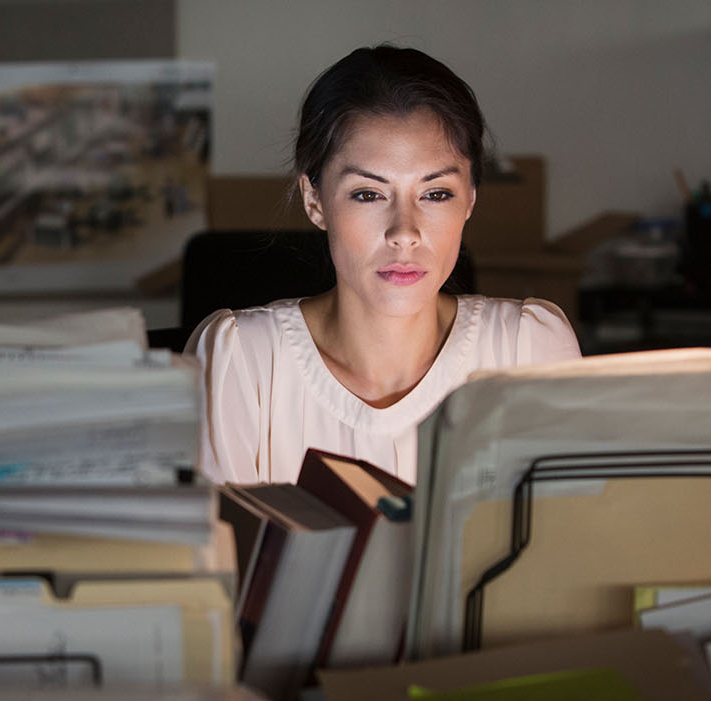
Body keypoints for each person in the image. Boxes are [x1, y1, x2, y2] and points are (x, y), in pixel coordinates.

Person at [186, 45, 582, 485]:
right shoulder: (240, 360)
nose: (404, 232)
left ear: (470, 198)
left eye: (436, 194)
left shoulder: (528, 349)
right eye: (368, 194)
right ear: (314, 199)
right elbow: (219, 551)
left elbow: (568, 543)